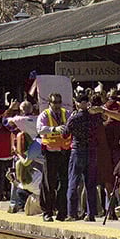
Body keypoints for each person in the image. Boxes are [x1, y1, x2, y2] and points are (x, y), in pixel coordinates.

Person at [37, 92, 72, 222]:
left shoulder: (66, 113)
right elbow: (40, 129)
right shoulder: (45, 115)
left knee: (64, 183)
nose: (57, 105)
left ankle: (62, 211)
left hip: (64, 152)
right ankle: (47, 211)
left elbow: (72, 124)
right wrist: (54, 129)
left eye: (59, 102)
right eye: (54, 102)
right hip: (50, 152)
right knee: (48, 183)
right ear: (49, 103)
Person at [64, 92, 98, 221]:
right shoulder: (94, 117)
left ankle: (72, 213)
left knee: (73, 182)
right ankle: (91, 214)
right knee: (91, 184)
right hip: (92, 150)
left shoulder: (74, 118)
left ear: (77, 103)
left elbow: (65, 134)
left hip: (78, 150)